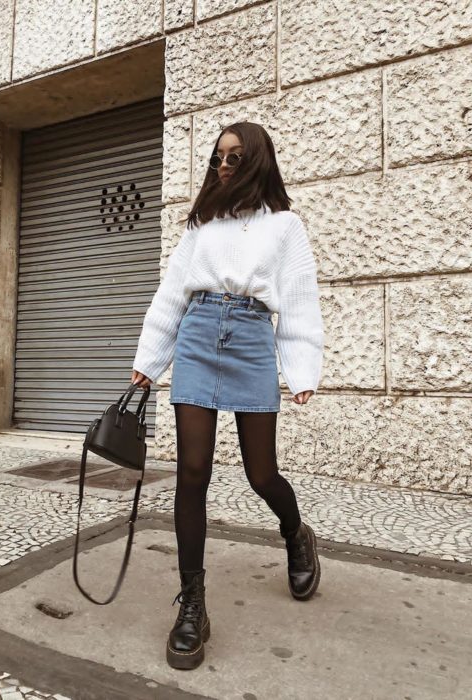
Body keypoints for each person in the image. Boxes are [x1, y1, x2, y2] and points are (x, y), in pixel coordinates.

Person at [130, 121, 324, 670]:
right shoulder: (202, 226)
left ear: (256, 160)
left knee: (261, 473)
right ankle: (193, 604)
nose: (222, 165)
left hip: (251, 338)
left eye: (234, 157)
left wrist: (301, 367)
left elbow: (301, 300)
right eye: (218, 156)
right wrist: (149, 360)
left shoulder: (285, 226)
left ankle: (295, 533)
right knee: (192, 472)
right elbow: (171, 293)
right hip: (197, 336)